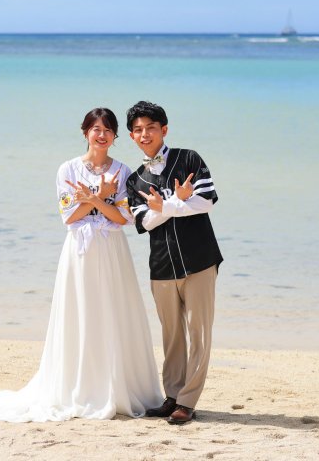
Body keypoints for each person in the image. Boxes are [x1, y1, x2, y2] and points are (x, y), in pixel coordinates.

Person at [0, 107, 162, 422]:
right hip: (80, 251)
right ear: (85, 132)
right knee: (80, 312)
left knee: (113, 312)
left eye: (108, 130)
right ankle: (79, 387)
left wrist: (96, 200)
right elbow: (68, 216)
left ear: (115, 136)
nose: (101, 135)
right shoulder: (68, 170)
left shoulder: (123, 171)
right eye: (96, 129)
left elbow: (124, 218)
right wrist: (99, 199)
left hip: (112, 250)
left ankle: (116, 386)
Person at [125, 101, 222, 425]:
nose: (145, 134)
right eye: (138, 130)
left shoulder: (189, 159)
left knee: (199, 333)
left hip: (200, 261)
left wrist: (167, 205)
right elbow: (145, 222)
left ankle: (187, 402)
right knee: (172, 335)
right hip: (162, 266)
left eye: (150, 128)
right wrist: (178, 202)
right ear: (131, 136)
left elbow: (206, 202)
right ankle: (172, 396)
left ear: (164, 130)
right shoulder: (135, 180)